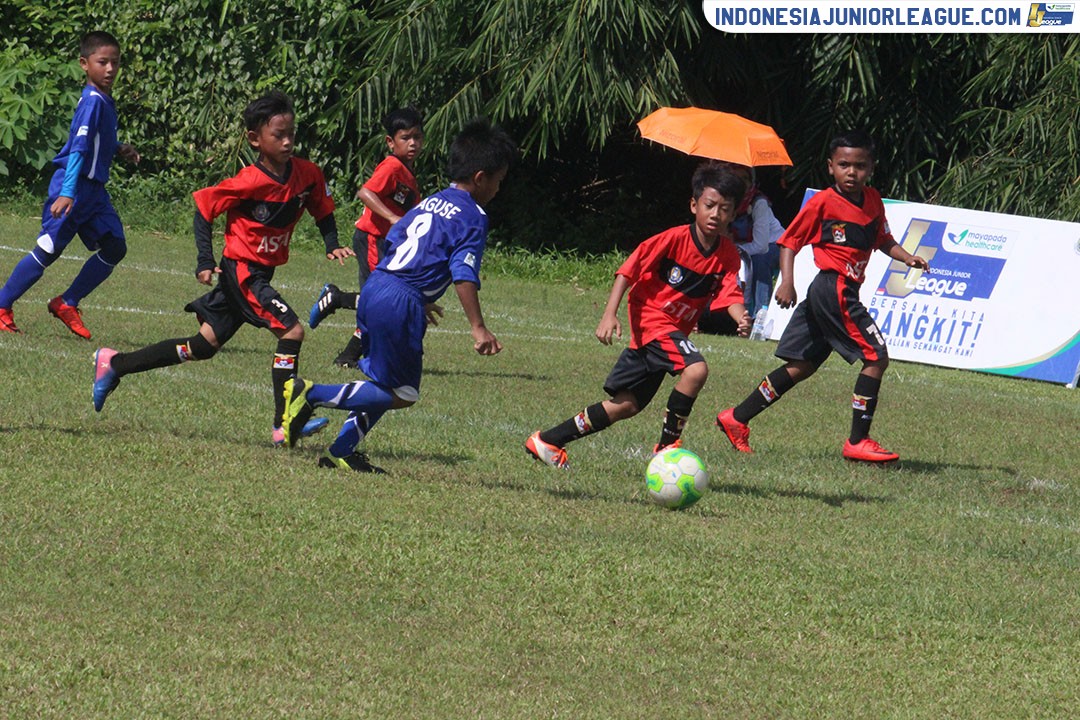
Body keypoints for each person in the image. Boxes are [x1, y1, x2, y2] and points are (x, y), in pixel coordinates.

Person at [91, 91, 353, 446]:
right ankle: (283, 424)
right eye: (279, 135)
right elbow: (204, 208)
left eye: (291, 132)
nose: (288, 140)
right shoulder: (249, 181)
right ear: (254, 139)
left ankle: (115, 364)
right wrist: (204, 260)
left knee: (203, 346)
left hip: (261, 272)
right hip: (243, 271)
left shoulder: (306, 174)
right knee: (291, 332)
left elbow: (322, 208)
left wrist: (331, 242)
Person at [280, 118, 517, 472]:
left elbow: (397, 238)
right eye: (499, 180)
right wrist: (477, 326)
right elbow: (463, 272)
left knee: (383, 383)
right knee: (404, 393)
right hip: (399, 298)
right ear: (481, 177)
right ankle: (311, 393)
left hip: (378, 284)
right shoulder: (473, 216)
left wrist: (416, 294)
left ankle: (343, 450)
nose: (499, 188)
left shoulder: (431, 202)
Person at [715, 131, 930, 463]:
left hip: (836, 291)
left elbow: (882, 239)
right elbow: (789, 243)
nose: (851, 172)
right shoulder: (823, 203)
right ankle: (858, 440)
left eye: (859, 165)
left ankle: (737, 417)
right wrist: (786, 282)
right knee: (876, 358)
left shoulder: (872, 200)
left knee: (802, 366)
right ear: (831, 167)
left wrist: (906, 257)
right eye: (844, 164)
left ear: (870, 167)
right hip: (834, 288)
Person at [525, 162, 751, 470]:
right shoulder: (672, 240)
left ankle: (549, 440)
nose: (715, 215)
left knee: (626, 406)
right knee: (696, 370)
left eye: (724, 209)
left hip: (669, 333)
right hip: (652, 321)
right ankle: (667, 447)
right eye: (709, 205)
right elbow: (628, 270)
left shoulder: (727, 254)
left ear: (734, 213)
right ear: (694, 204)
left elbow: (730, 295)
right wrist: (609, 314)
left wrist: (741, 318)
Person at [0, 31, 140, 337]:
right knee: (47, 250)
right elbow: (78, 147)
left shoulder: (104, 100)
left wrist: (118, 148)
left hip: (94, 194)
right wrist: (66, 192)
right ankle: (2, 305)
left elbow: (96, 141)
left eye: (115, 63)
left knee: (115, 247)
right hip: (74, 188)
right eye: (102, 62)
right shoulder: (91, 102)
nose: (110, 69)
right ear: (84, 64)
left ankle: (67, 302)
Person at [308, 108, 425, 368]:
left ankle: (349, 348)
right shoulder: (392, 166)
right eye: (406, 138)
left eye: (417, 137)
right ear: (390, 142)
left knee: (384, 300)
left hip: (387, 243)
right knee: (379, 300)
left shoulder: (407, 170)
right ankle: (347, 341)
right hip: (374, 239)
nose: (413, 143)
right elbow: (365, 193)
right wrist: (393, 219)